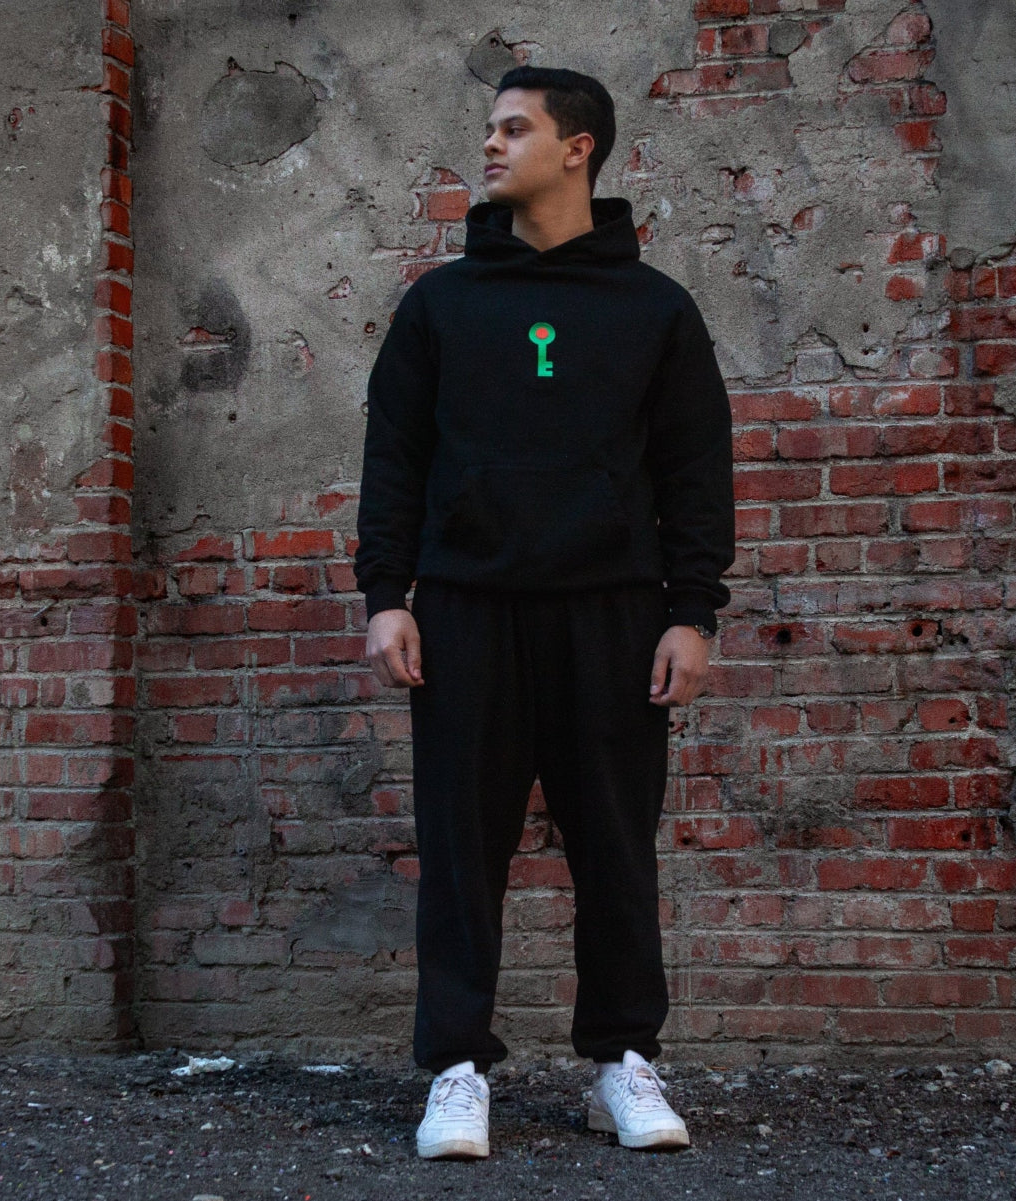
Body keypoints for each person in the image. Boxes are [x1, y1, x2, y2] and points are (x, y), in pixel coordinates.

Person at [354, 64, 735, 1160]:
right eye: (487, 126)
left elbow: (694, 469)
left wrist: (691, 609)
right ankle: (458, 1070)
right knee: (462, 850)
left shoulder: (654, 307)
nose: (489, 144)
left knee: (617, 848)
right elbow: (397, 458)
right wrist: (388, 596)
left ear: (579, 148)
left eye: (512, 128)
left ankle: (621, 1063)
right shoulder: (441, 303)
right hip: (469, 610)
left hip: (615, 614)